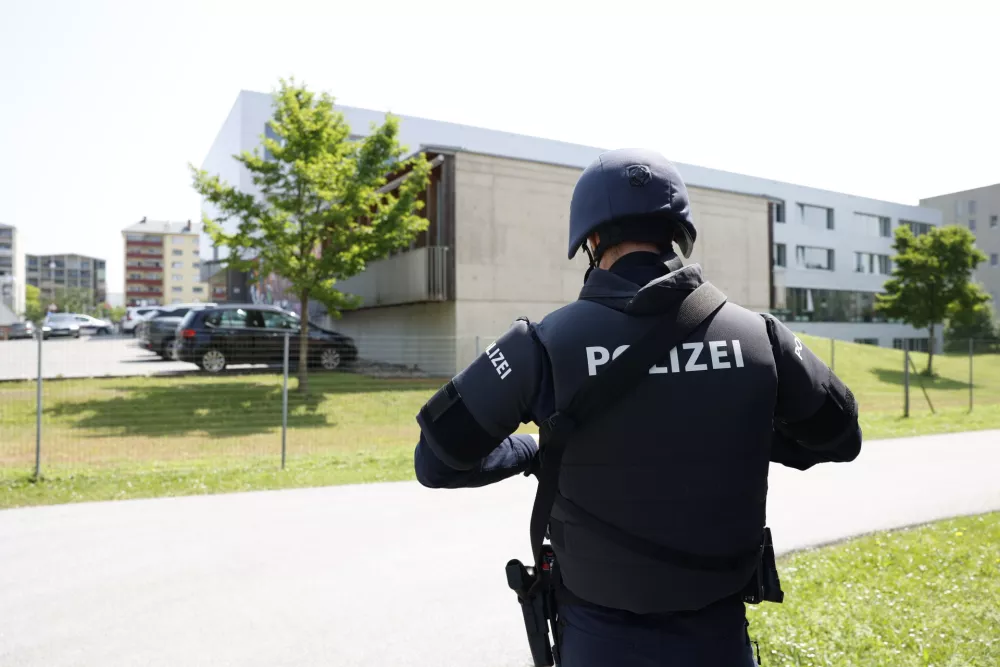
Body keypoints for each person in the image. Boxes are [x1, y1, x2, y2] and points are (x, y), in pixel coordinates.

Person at [413, 148, 862, 666]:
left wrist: (535, 450)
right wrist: (739, 432)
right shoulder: (761, 337)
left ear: (591, 241)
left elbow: (436, 463)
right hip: (721, 643)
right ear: (677, 232)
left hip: (598, 645)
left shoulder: (541, 346)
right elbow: (840, 438)